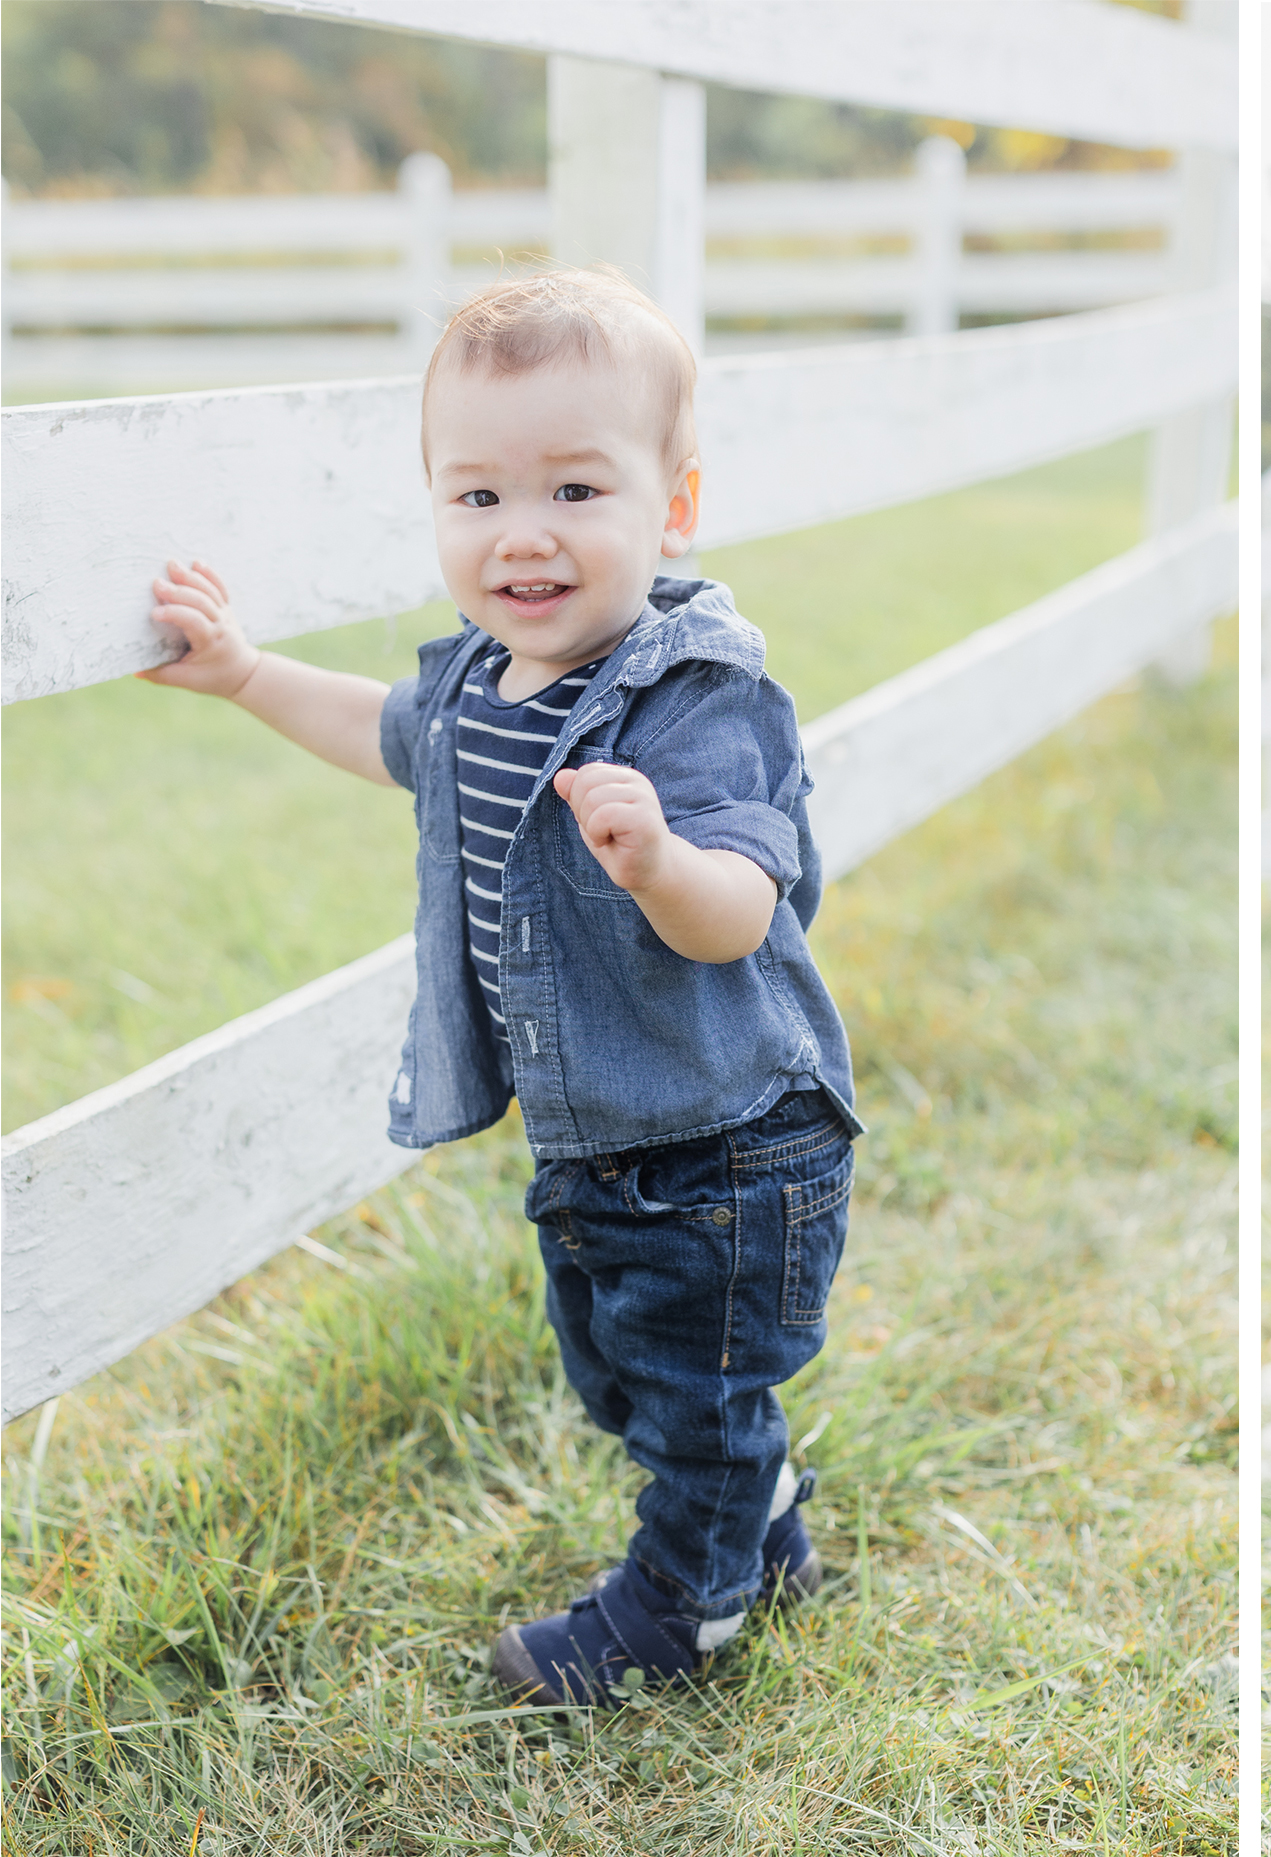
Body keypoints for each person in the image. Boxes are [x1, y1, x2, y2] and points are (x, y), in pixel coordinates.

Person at [137, 267, 863, 1707]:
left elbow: (741, 914)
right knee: (626, 1373)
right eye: (476, 497)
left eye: (577, 491)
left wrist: (657, 860)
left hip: (725, 1142)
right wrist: (245, 674)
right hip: (599, 1137)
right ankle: (761, 1522)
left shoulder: (699, 697)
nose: (522, 535)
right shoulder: (482, 680)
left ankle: (686, 1605)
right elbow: (382, 732)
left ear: (675, 505)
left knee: (696, 1390)